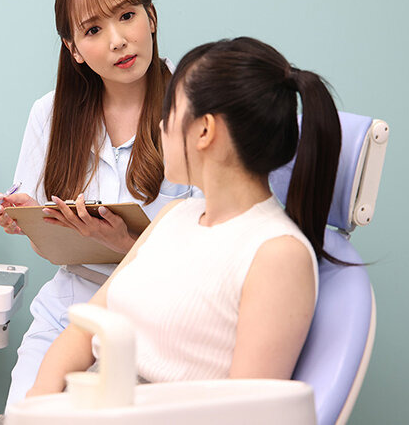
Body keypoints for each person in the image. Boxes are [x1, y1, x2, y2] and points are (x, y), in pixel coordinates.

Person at [26, 36, 344, 396]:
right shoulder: (174, 215)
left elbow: (246, 410)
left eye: (170, 112)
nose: (161, 126)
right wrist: (35, 405)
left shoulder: (277, 254)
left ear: (205, 131)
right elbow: (84, 330)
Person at [0, 0, 194, 409]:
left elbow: (213, 259)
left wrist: (124, 245)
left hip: (164, 319)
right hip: (70, 308)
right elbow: (49, 250)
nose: (118, 40)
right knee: (26, 412)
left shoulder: (196, 109)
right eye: (94, 30)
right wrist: (32, 220)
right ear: (74, 48)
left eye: (127, 16)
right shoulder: (50, 113)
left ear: (151, 17)